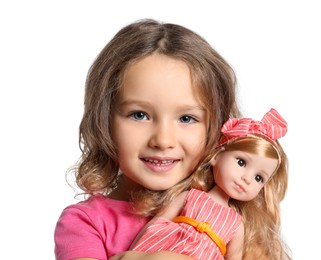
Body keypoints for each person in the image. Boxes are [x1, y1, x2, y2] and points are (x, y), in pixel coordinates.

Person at [54, 18, 241, 260]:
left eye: (186, 118)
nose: (163, 140)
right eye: (139, 115)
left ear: (215, 128)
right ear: (104, 120)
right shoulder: (84, 223)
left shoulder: (230, 217)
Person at [128, 108, 291, 260]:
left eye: (258, 178)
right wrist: (132, 254)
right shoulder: (190, 196)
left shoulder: (236, 224)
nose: (247, 178)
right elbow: (157, 223)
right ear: (216, 156)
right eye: (241, 162)